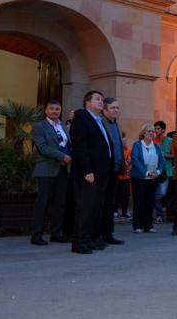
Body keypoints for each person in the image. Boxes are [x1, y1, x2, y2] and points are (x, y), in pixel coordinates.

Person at [70, 91, 114, 254]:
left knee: (95, 208)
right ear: (87, 102)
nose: (101, 102)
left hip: (101, 173)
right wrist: (87, 170)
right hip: (88, 174)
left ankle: (89, 239)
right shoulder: (82, 118)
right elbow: (80, 147)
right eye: (97, 99)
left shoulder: (99, 120)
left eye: (102, 100)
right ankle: (79, 242)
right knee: (85, 208)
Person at [30, 100, 72, 246]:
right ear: (46, 111)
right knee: (43, 202)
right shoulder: (39, 126)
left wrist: (70, 158)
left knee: (60, 203)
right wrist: (62, 156)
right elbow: (42, 147)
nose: (55, 111)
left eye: (57, 109)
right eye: (52, 109)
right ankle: (36, 235)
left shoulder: (65, 127)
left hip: (63, 169)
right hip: (46, 169)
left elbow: (69, 145)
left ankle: (56, 233)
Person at [99, 97, 125, 245]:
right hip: (104, 170)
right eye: (113, 108)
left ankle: (108, 233)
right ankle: (99, 234)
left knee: (110, 203)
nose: (116, 110)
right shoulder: (101, 123)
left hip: (115, 170)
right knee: (101, 203)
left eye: (117, 108)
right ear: (105, 110)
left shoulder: (116, 124)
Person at [130, 124, 164, 233]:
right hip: (139, 177)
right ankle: (138, 225)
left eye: (153, 131)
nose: (151, 133)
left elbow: (162, 161)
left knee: (150, 201)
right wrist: (146, 172)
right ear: (143, 134)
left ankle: (148, 225)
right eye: (148, 131)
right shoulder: (137, 145)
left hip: (153, 177)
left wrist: (158, 172)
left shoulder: (157, 146)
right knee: (139, 201)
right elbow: (135, 159)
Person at [115, 131, 132, 220]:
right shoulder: (116, 149)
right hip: (117, 175)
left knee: (126, 194)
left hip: (126, 176)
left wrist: (129, 161)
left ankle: (124, 212)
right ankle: (115, 211)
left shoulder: (128, 150)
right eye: (122, 138)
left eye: (125, 138)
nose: (124, 140)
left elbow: (131, 162)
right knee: (116, 194)